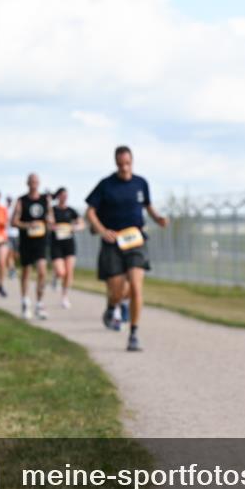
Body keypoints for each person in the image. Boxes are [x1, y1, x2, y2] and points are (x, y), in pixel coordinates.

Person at [86, 146, 168, 351]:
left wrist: (157, 218)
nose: (124, 168)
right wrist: (102, 230)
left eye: (127, 163)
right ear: (116, 163)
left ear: (132, 161)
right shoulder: (106, 185)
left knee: (135, 286)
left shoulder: (141, 183)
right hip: (113, 243)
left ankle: (133, 333)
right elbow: (90, 211)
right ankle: (112, 306)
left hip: (136, 241)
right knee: (117, 290)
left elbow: (148, 206)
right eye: (121, 164)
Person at [12, 175, 54, 320]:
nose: (34, 185)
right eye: (32, 182)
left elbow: (51, 219)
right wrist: (27, 225)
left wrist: (49, 222)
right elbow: (14, 221)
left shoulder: (45, 200)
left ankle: (40, 303)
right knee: (26, 272)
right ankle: (25, 301)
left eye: (36, 182)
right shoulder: (22, 200)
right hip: (26, 241)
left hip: (41, 241)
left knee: (42, 271)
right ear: (27, 183)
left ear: (39, 183)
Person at [50, 187, 84, 309]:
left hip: (69, 243)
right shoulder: (52, 210)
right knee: (61, 271)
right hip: (56, 243)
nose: (64, 197)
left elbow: (81, 224)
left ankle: (64, 296)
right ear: (58, 196)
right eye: (62, 195)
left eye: (66, 195)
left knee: (69, 271)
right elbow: (48, 223)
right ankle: (56, 276)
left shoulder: (71, 211)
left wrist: (75, 227)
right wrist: (53, 227)